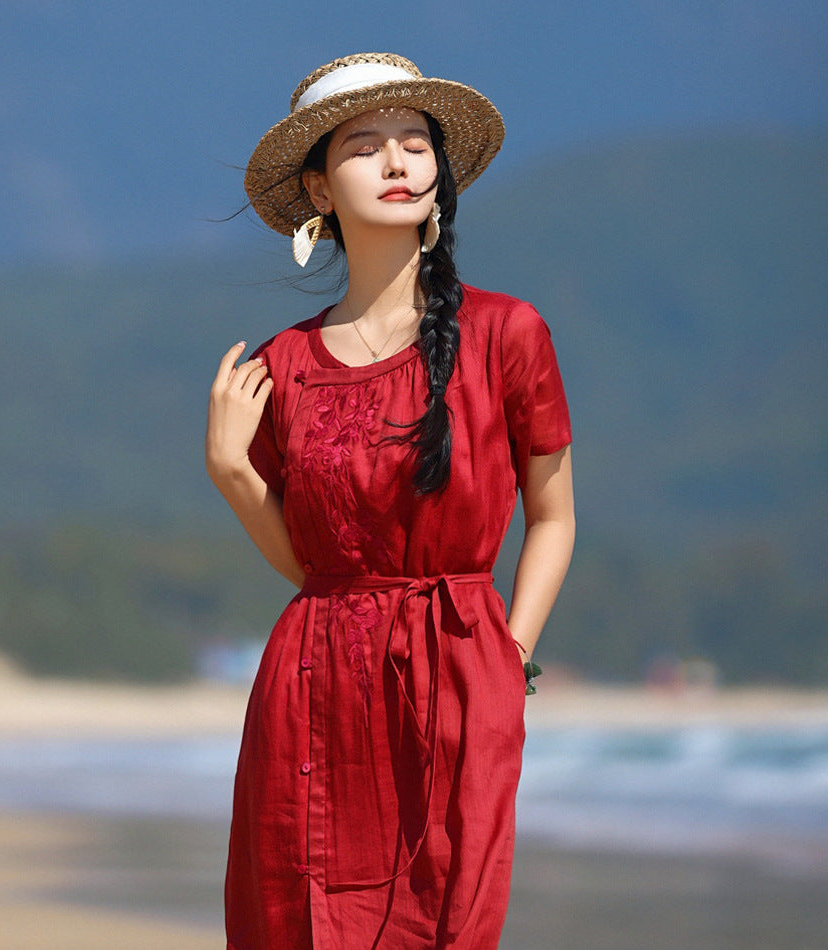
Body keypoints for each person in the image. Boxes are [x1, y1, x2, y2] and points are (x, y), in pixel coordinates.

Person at [205, 52, 574, 949]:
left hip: (457, 669)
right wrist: (235, 474)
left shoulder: (505, 333)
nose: (399, 162)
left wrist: (508, 655)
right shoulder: (281, 369)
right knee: (304, 918)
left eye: (415, 143)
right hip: (313, 684)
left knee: (448, 920)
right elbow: (314, 566)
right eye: (366, 147)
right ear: (319, 190)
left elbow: (554, 514)